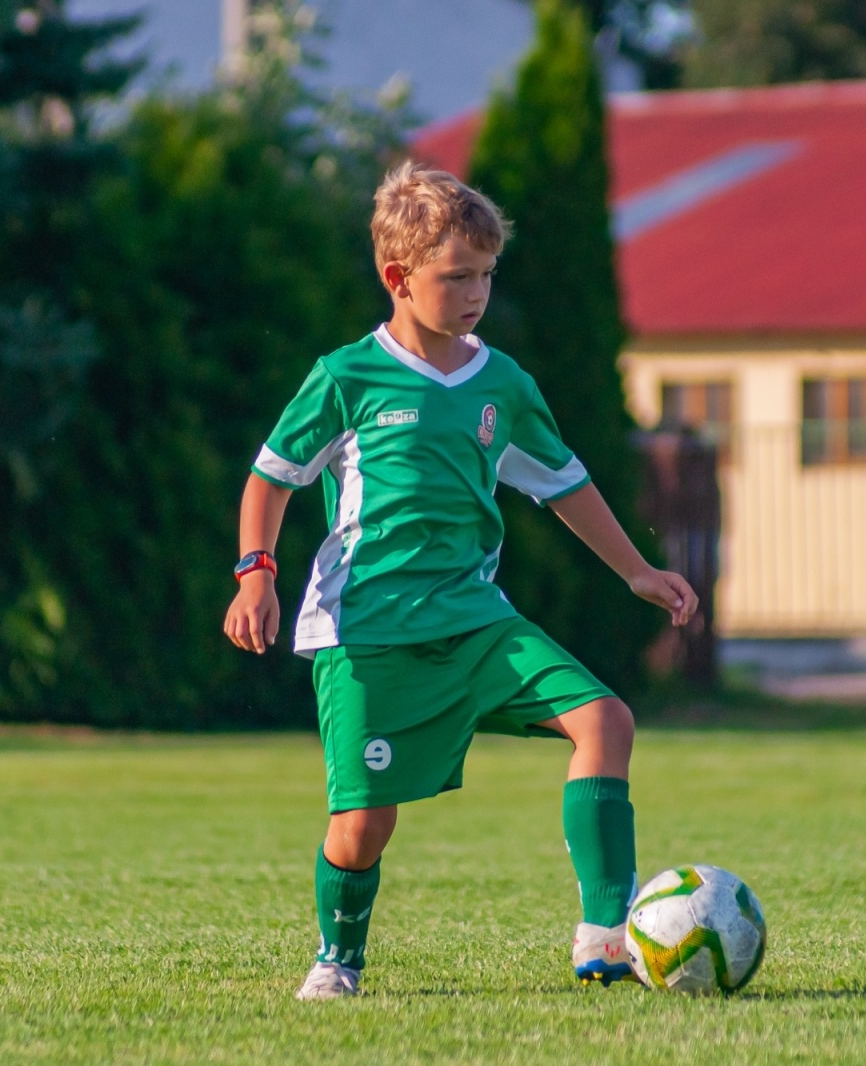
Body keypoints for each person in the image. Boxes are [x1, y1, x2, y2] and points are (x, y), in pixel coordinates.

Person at [223, 161, 697, 1000]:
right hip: (368, 634)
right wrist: (255, 575)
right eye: (457, 277)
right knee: (363, 826)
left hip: (479, 624)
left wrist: (637, 571)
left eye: (485, 274)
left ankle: (605, 934)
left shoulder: (503, 384)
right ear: (396, 278)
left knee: (607, 721)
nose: (476, 293)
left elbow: (564, 484)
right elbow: (270, 479)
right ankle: (339, 958)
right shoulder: (345, 378)